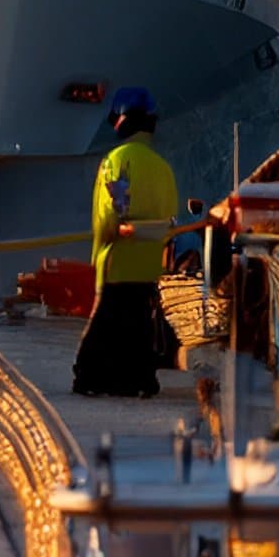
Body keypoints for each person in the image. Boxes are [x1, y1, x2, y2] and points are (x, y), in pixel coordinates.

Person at [72, 86, 181, 397]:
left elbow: (113, 210)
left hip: (118, 260)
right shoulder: (163, 168)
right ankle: (139, 379)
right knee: (137, 325)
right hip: (148, 263)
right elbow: (170, 214)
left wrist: (103, 246)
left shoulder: (117, 160)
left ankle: (90, 378)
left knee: (105, 324)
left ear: (122, 121)